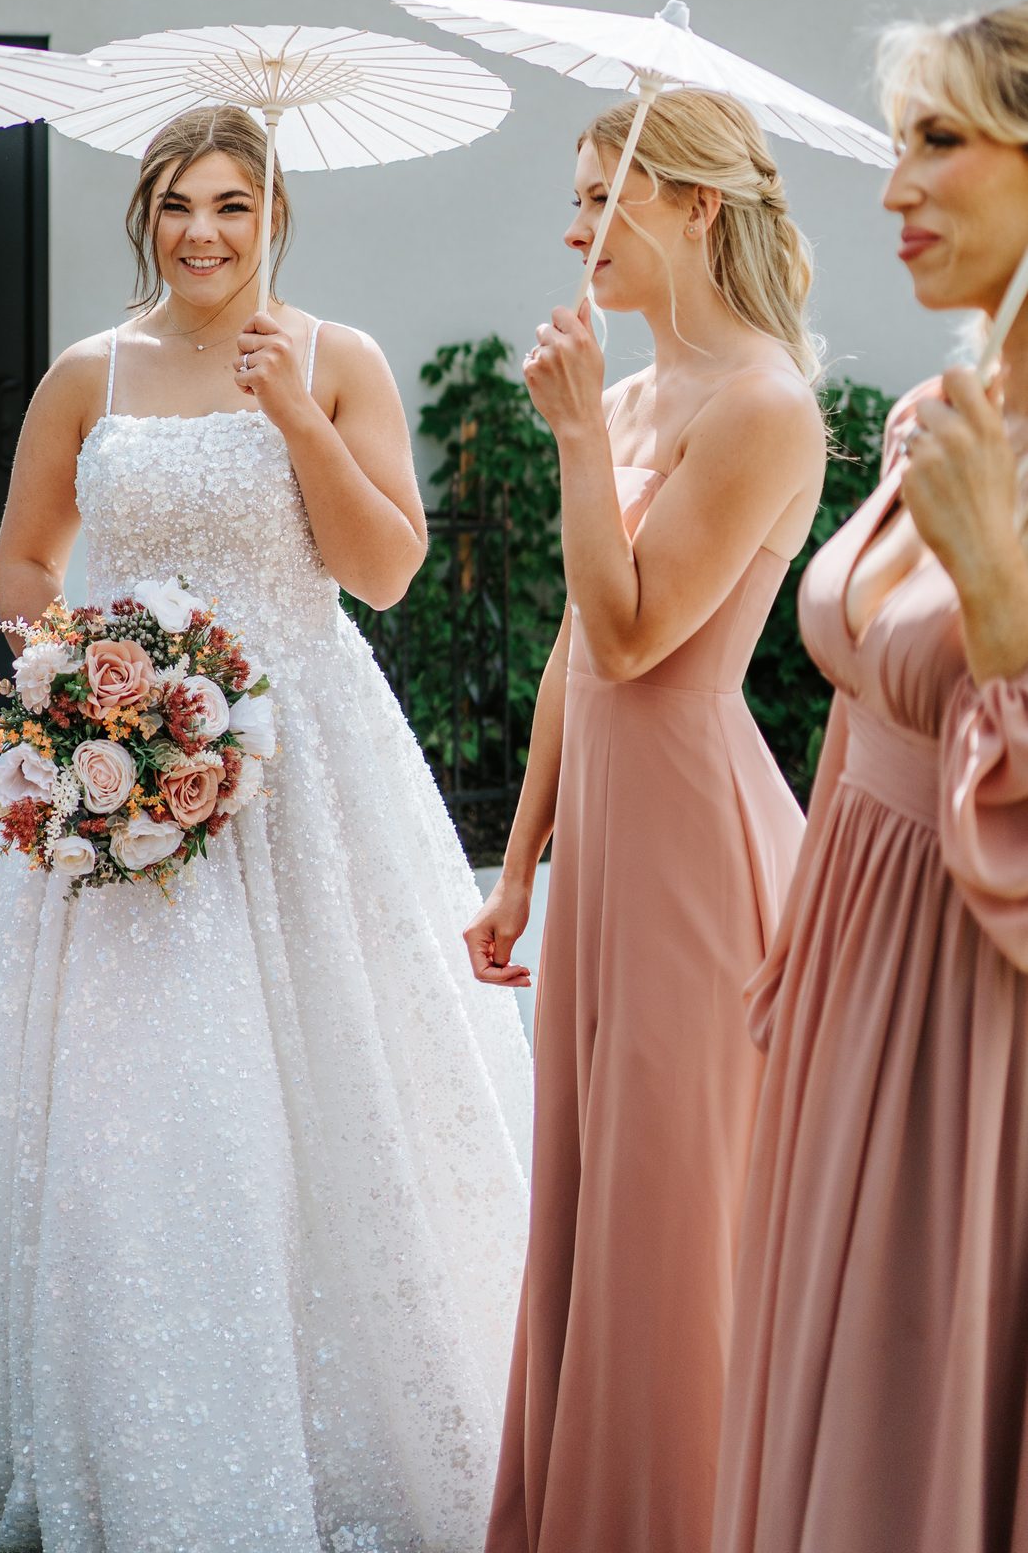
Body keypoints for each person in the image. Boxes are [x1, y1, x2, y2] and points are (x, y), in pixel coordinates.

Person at [0, 102, 532, 1553]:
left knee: (331, 1083)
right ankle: (125, 1400)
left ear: (274, 213)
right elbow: (29, 551)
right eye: (177, 203)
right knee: (128, 1093)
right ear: (143, 217)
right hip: (122, 753)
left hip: (307, 770)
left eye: (233, 204)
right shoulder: (86, 374)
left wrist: (294, 411)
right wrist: (78, 698)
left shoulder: (337, 358)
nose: (203, 232)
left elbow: (388, 571)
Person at [467, 88, 823, 1553]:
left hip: (694, 844)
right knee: (585, 1189)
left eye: (607, 195)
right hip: (607, 839)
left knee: (669, 1214)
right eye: (577, 191)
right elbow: (567, 660)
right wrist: (517, 865)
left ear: (698, 209)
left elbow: (634, 642)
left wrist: (561, 449)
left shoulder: (764, 407)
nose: (577, 225)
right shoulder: (626, 399)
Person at [713, 7, 1028, 1553]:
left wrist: (1012, 608)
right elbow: (858, 708)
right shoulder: (934, 420)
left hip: (987, 1007)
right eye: (900, 139)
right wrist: (805, 940)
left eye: (944, 139)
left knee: (926, 1393)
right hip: (855, 958)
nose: (895, 184)